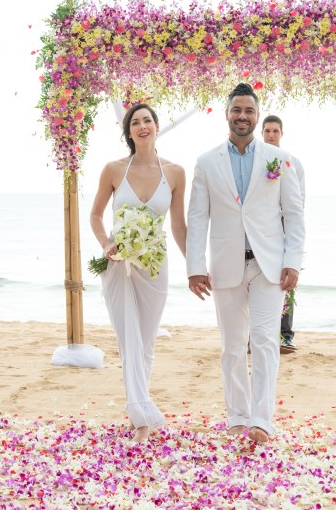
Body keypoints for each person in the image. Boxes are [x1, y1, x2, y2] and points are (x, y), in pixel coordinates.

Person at [186, 83, 305, 444]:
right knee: (233, 345)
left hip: (268, 265)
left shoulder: (279, 159)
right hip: (225, 266)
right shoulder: (207, 162)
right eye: (236, 110)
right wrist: (194, 266)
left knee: (266, 341)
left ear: (257, 114)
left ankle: (262, 420)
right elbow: (198, 216)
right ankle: (237, 415)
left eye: (249, 111)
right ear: (227, 114)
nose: (242, 116)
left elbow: (294, 214)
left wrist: (293, 260)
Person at [89, 103, 187, 444]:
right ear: (128, 132)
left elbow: (177, 225)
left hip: (154, 265)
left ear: (157, 126)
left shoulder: (175, 172)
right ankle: (140, 416)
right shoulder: (113, 169)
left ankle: (140, 406)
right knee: (128, 338)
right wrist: (106, 245)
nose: (142, 126)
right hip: (119, 266)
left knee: (145, 342)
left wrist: (195, 266)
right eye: (135, 123)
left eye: (147, 120)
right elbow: (96, 216)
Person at [261, 115, 305, 354]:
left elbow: (299, 203)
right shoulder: (254, 160)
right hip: (258, 234)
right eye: (267, 130)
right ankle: (257, 336)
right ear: (262, 133)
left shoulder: (292, 163)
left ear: (281, 134)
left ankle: (285, 335)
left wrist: (285, 226)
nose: (270, 135)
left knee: (286, 282)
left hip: (284, 232)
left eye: (275, 131)